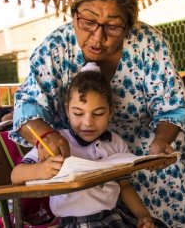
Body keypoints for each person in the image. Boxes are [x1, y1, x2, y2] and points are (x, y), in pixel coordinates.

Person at [9, 0, 185, 226]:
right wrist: (47, 138)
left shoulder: (148, 45)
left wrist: (161, 142)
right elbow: (27, 107)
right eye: (87, 22)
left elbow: (173, 107)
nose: (97, 37)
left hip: (146, 161)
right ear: (73, 14)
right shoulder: (56, 47)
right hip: (81, 166)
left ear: (128, 25)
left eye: (113, 26)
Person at [12, 64, 162, 227]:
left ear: (110, 112)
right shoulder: (56, 142)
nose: (88, 122)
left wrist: (143, 216)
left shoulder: (116, 143)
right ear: (67, 110)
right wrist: (41, 170)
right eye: (78, 113)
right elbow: (16, 175)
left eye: (98, 114)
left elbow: (125, 187)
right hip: (75, 223)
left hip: (112, 218)